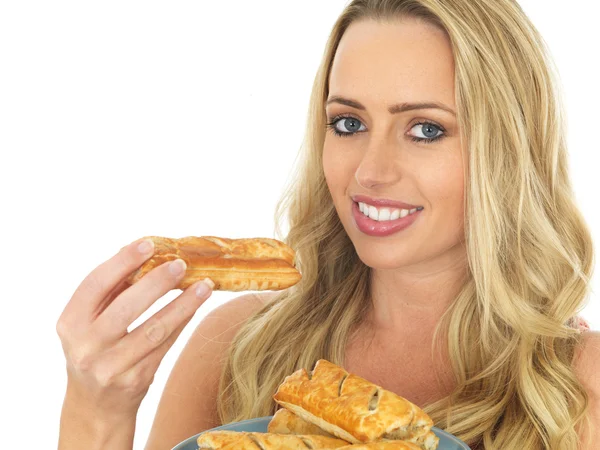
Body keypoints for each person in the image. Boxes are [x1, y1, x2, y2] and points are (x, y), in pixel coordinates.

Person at [56, 0, 600, 449]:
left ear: (509, 149)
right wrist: (96, 409)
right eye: (348, 123)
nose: (370, 171)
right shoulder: (237, 346)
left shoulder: (581, 383)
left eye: (426, 130)